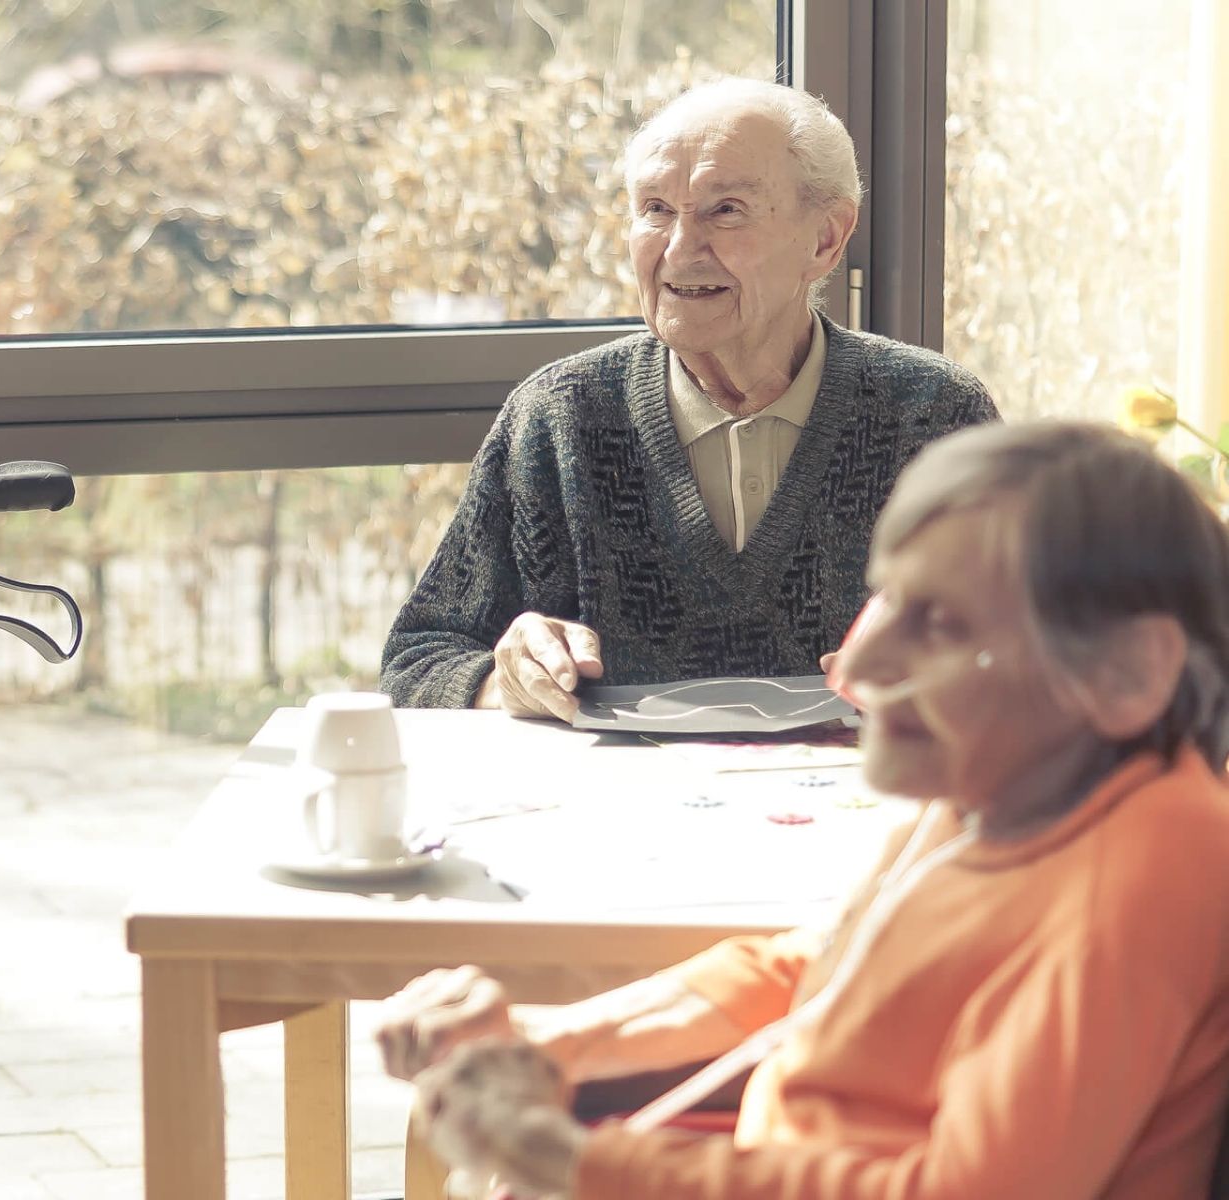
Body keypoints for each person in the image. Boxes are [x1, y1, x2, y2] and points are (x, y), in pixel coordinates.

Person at [375, 421, 1229, 1198]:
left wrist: (575, 1164)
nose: (859, 667)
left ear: (1125, 675)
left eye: (940, 623)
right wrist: (544, 1044)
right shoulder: (1001, 791)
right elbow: (817, 971)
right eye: (885, 600)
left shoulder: (1150, 873)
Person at [379, 78, 998, 722]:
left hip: (860, 787)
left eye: (725, 210)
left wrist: (961, 669)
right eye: (655, 209)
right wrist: (505, 681)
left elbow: (1036, 653)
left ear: (825, 238)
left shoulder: (934, 414)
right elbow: (418, 661)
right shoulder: (558, 416)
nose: (678, 249)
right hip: (617, 792)